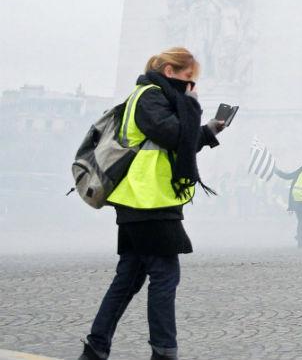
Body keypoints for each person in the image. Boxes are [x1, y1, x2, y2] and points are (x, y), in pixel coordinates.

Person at [80, 47, 228, 360]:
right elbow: (173, 135)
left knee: (129, 278)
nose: (190, 87)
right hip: (147, 200)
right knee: (165, 276)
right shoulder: (149, 96)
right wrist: (191, 106)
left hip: (144, 200)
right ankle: (164, 352)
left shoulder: (158, 97)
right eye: (188, 78)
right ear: (169, 70)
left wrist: (209, 130)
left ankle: (96, 348)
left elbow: (175, 141)